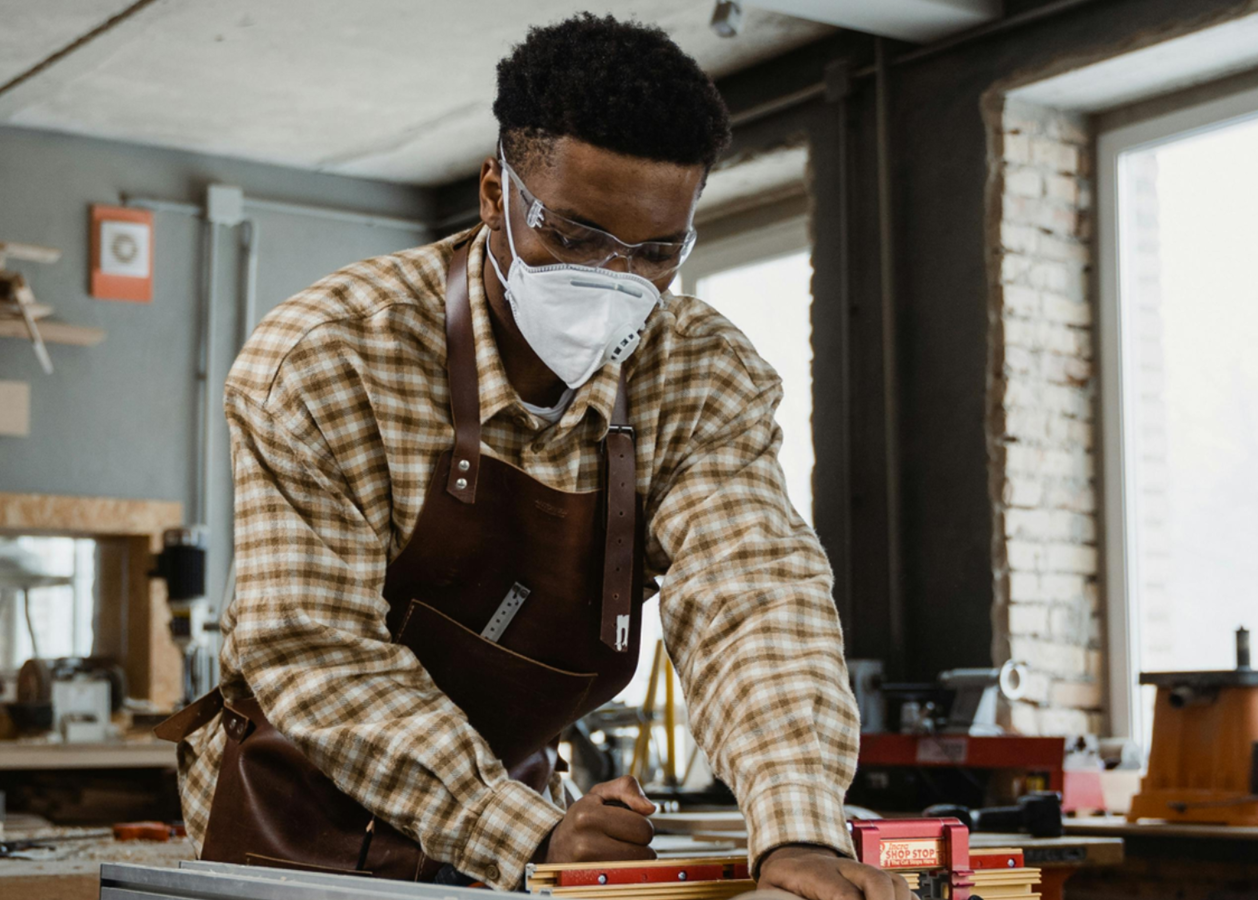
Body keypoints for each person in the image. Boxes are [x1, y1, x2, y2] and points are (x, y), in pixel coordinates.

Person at [160, 14, 909, 900]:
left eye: (656, 253)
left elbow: (754, 597)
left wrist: (797, 834)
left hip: (514, 826)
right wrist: (526, 830)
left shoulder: (701, 374)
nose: (613, 279)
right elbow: (313, 651)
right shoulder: (328, 356)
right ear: (494, 194)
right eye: (577, 236)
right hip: (291, 830)